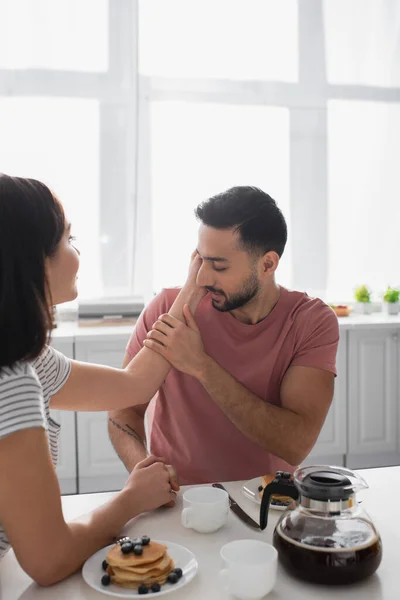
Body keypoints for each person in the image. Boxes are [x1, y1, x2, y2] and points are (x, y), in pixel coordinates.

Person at [0, 174, 204, 585]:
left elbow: (135, 384)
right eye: (68, 240)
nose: (77, 253)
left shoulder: (27, 357)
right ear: (31, 260)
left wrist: (191, 288)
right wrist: (131, 499)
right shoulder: (12, 379)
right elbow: (48, 559)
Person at [109, 186, 339, 486]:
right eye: (200, 261)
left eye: (219, 266)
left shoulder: (311, 322)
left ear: (267, 264)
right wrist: (144, 473)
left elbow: (295, 445)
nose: (203, 278)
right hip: (179, 500)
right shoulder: (169, 308)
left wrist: (201, 366)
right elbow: (124, 408)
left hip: (267, 500)